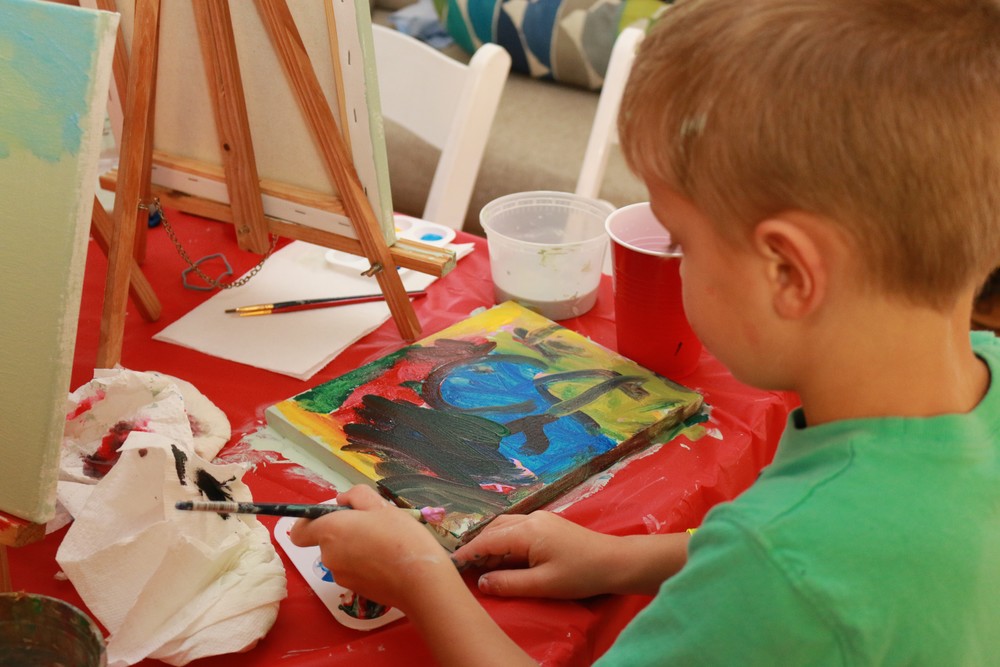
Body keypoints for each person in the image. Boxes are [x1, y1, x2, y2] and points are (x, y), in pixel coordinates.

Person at [290, 0, 1000, 663]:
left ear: (787, 272)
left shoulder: (775, 570)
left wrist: (418, 576)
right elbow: (852, 542)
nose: (676, 261)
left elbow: (794, 565)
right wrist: (628, 559)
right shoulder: (975, 373)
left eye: (681, 241)